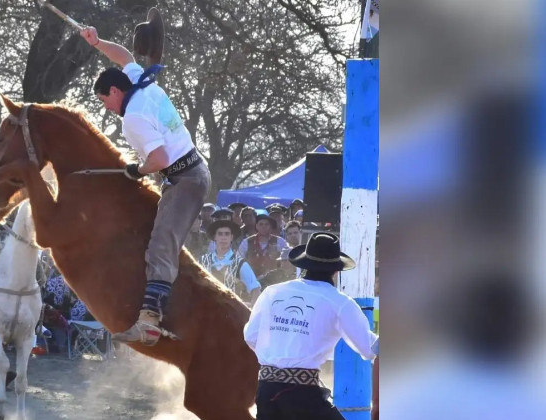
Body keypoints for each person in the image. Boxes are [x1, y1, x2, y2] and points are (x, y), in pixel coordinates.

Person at [79, 10, 211, 345]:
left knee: (159, 247)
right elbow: (122, 54)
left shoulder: (132, 118)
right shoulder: (141, 82)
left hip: (184, 179)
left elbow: (160, 159)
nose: (105, 106)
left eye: (103, 100)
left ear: (114, 91)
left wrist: (136, 170)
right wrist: (97, 43)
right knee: (156, 242)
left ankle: (150, 321)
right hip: (190, 172)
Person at [244, 232, 379, 420]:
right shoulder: (339, 303)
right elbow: (369, 347)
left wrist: (279, 357)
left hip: (266, 390)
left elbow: (251, 336)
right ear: (335, 271)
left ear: (304, 264)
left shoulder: (272, 292)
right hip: (303, 394)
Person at [200, 220, 261, 306]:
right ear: (215, 237)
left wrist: (251, 311)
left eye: (227, 234)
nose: (223, 238)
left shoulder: (240, 263)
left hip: (229, 314)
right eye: (220, 234)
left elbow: (255, 289)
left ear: (232, 237)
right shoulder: (202, 261)